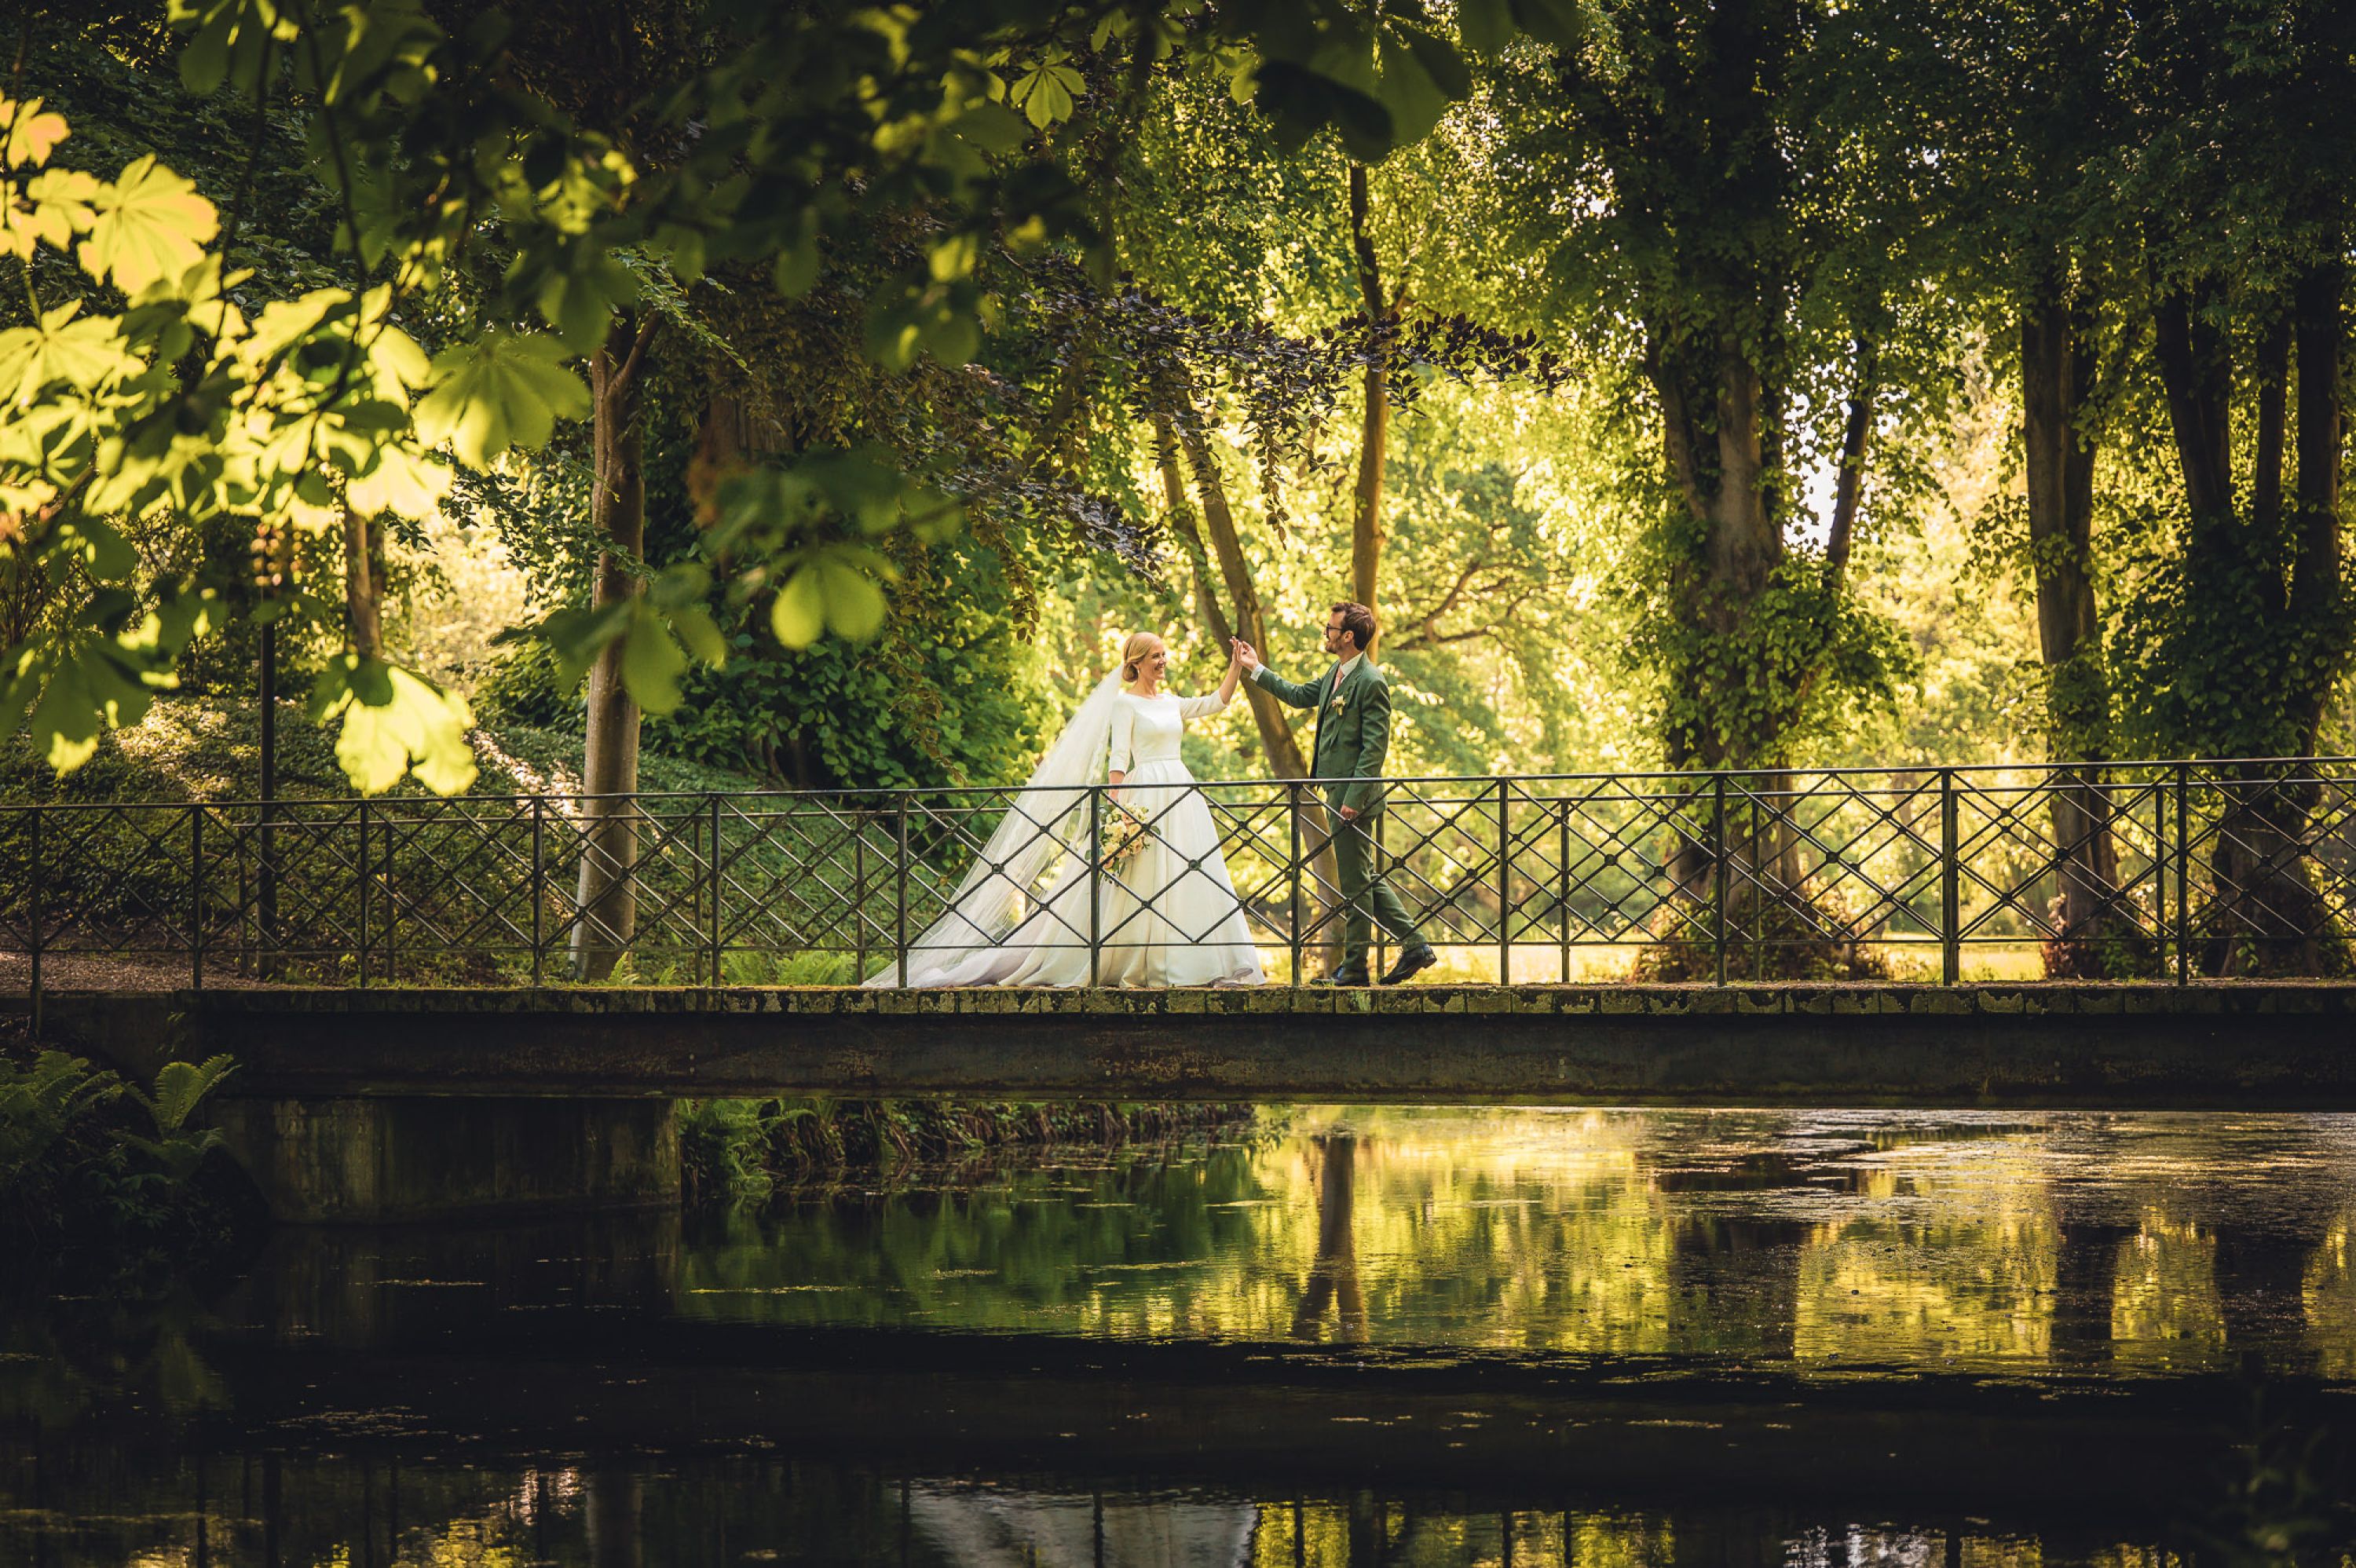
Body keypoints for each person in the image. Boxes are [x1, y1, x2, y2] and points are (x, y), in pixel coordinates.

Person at [866, 632, 1265, 988]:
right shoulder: (1126, 705)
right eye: (1156, 656)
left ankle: (1188, 959)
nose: (1163, 662)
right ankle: (1139, 960)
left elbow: (1218, 702)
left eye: (1164, 655)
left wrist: (1236, 667)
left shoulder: (1171, 701)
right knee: (1142, 881)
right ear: (1137, 662)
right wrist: (1119, 808)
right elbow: (1119, 757)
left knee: (1186, 873)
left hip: (1179, 794)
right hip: (1145, 793)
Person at [1234, 602, 1436, 985]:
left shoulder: (1371, 681)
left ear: (1348, 636)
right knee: (1362, 877)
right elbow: (1295, 695)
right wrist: (1254, 667)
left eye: (1330, 628)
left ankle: (1357, 967)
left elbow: (1374, 749)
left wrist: (1353, 799)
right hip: (1336, 792)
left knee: (1356, 881)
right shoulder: (1335, 673)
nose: (1325, 633)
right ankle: (1414, 946)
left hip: (1354, 798)